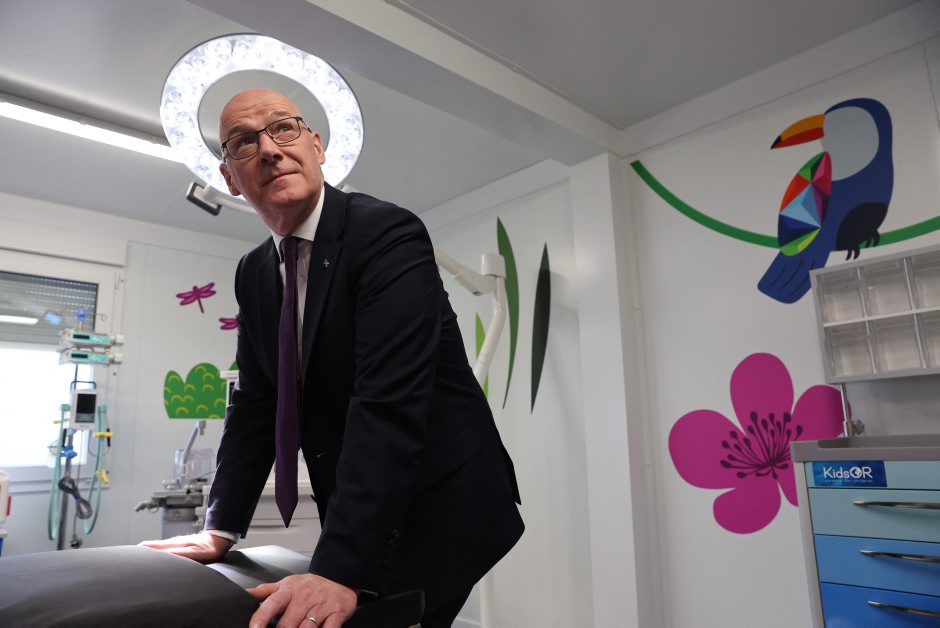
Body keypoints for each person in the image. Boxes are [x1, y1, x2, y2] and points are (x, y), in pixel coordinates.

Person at [141, 88, 523, 628]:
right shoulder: (254, 272)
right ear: (230, 178)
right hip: (370, 503)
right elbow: (256, 402)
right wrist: (219, 526)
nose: (269, 149)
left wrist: (340, 568)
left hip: (445, 497)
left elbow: (388, 401)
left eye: (284, 128)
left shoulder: (386, 234)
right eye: (244, 142)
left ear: (317, 147)